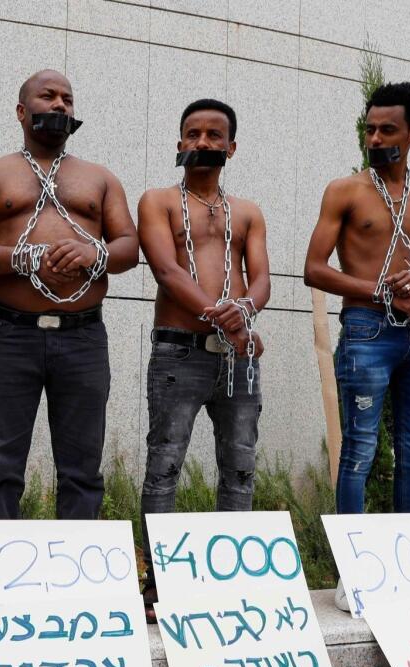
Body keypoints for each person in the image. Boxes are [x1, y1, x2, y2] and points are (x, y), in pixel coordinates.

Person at [0, 69, 139, 520]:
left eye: (67, 99)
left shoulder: (100, 178)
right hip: (10, 334)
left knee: (82, 467)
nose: (59, 105)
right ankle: (1, 579)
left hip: (83, 337)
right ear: (21, 111)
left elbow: (129, 246)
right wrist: (23, 257)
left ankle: (78, 577)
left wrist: (93, 253)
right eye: (48, 96)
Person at [302, 81, 410, 612]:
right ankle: (354, 573)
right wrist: (381, 289)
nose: (375, 137)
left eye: (387, 129)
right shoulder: (344, 191)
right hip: (366, 330)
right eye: (369, 128)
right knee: (359, 452)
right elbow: (313, 269)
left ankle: (409, 566)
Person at [135, 98, 270, 620]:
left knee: (239, 465)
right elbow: (167, 271)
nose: (203, 143)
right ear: (179, 142)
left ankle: (231, 579)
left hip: (238, 356)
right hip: (180, 348)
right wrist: (227, 318)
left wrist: (243, 311)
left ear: (231, 147)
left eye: (215, 136)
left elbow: (261, 279)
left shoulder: (249, 212)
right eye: (193, 134)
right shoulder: (159, 201)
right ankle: (159, 584)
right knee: (164, 464)